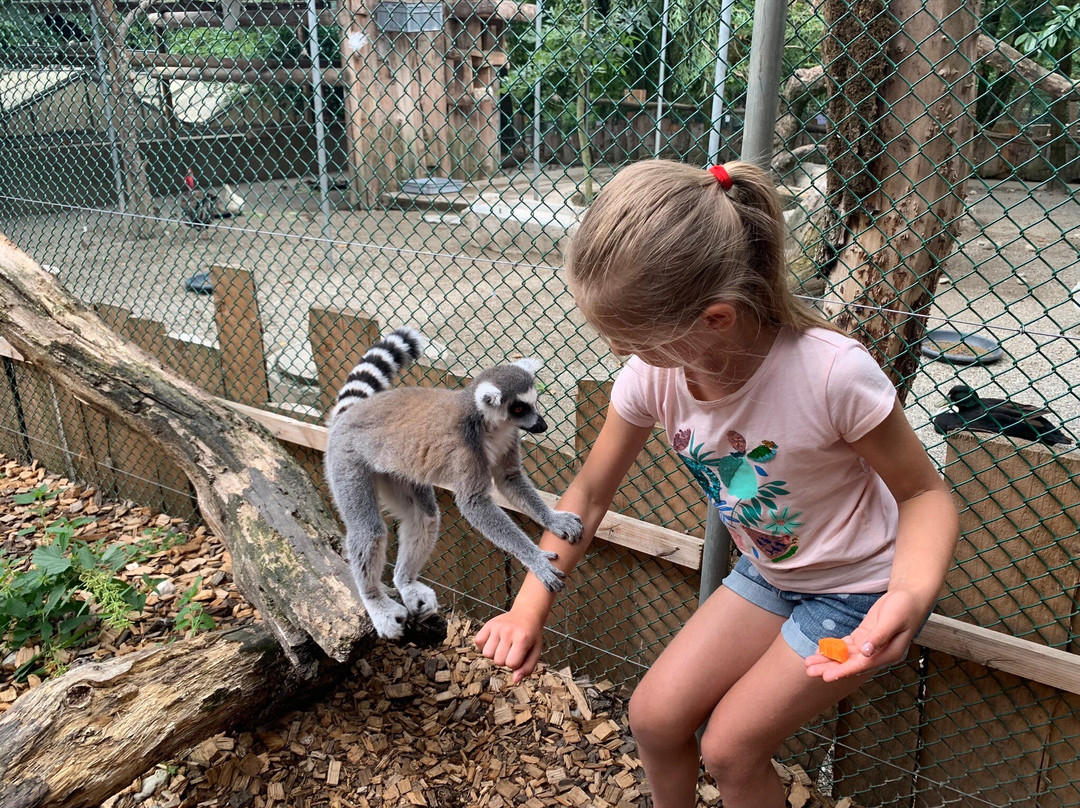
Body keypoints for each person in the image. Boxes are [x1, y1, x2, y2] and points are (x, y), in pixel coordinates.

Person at [474, 159, 959, 808]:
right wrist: (530, 604)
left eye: (633, 339)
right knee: (653, 718)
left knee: (730, 749)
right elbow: (587, 496)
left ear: (717, 320)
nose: (619, 353)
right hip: (771, 573)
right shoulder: (657, 376)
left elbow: (925, 495)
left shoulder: (831, 376)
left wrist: (909, 593)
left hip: (856, 590)